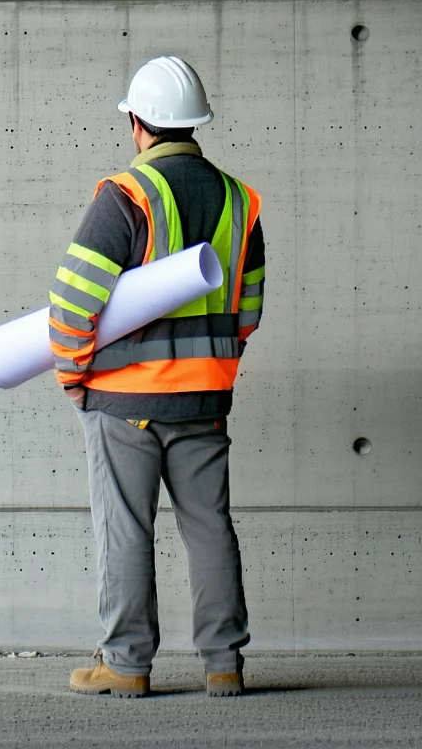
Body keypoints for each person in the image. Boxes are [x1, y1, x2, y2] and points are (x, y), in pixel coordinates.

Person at [49, 55, 264, 698]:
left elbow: (74, 297)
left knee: (126, 527)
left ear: (138, 124)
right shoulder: (239, 199)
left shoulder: (128, 195)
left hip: (125, 400)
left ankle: (126, 665)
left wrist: (72, 374)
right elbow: (247, 309)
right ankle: (224, 664)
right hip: (206, 396)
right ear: (194, 125)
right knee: (209, 525)